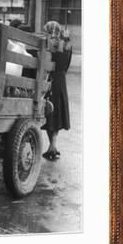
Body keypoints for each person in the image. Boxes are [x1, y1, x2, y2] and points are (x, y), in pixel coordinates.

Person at [42, 21, 72, 161]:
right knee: (57, 114)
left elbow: (45, 62)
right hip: (61, 81)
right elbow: (66, 66)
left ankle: (52, 146)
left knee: (50, 115)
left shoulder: (49, 44)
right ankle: (53, 145)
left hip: (51, 80)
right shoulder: (67, 45)